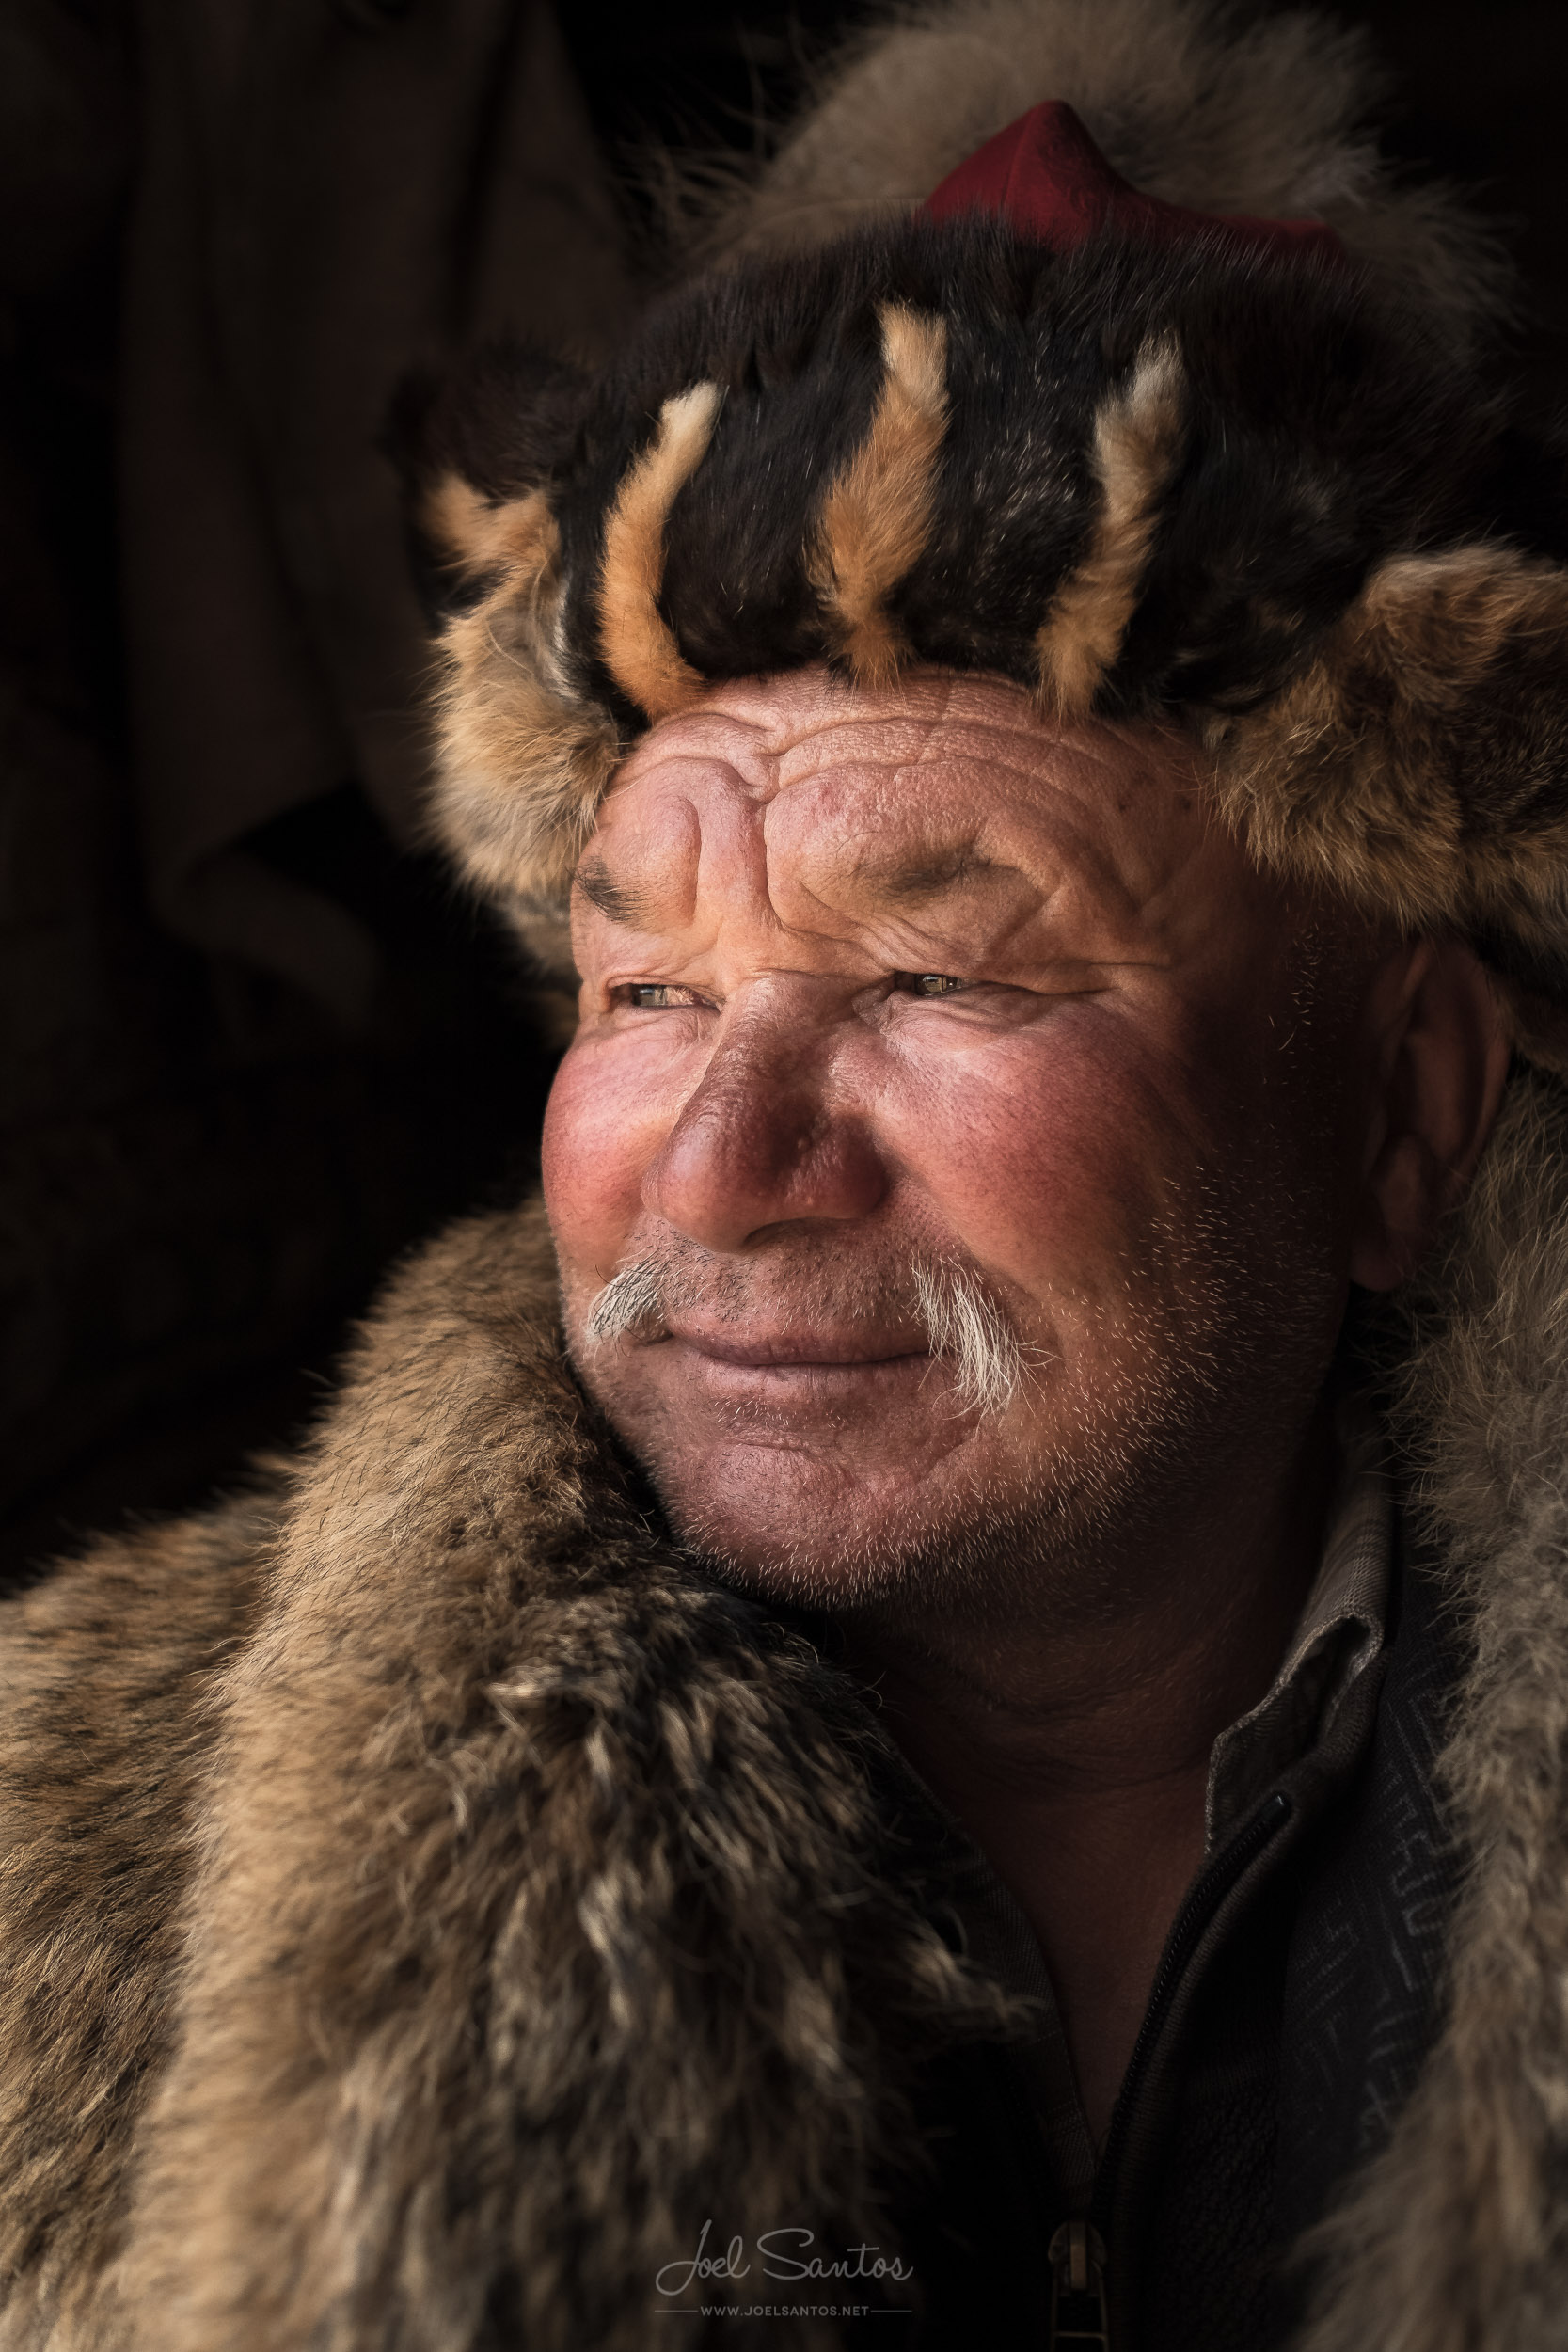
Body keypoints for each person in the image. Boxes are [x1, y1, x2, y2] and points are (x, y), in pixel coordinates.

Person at [5, 2, 1568, 2347]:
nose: (720, 1171)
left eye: (948, 981)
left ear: (1401, 1110)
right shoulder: (57, 1863)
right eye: (643, 994)